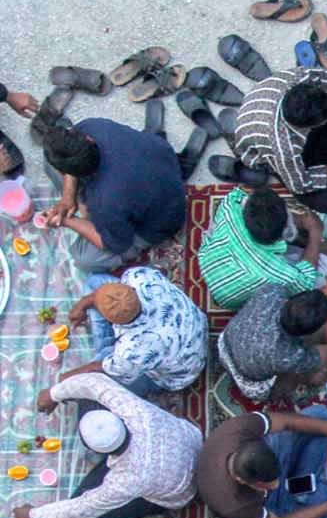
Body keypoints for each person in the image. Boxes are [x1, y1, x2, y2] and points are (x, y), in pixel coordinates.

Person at [23, 372, 201, 518]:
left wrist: (32, 516)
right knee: (91, 394)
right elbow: (94, 382)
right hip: (194, 441)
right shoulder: (135, 412)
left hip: (183, 491)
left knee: (85, 510)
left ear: (96, 450)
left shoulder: (124, 480)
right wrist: (53, 394)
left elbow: (82, 508)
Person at [195, 407, 327, 518]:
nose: (277, 484)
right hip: (270, 505)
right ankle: (318, 486)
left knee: (321, 416)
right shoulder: (235, 504)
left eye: (275, 479)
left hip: (277, 457)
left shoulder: (241, 428)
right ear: (241, 480)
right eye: (267, 484)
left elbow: (286, 421)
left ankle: (312, 487)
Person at [41, 117, 186, 273]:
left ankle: (104, 223)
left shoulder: (105, 202)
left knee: (84, 259)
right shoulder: (92, 126)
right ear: (88, 139)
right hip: (161, 169)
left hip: (163, 221)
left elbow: (117, 244)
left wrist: (67, 221)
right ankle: (94, 212)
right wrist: (67, 197)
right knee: (51, 163)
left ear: (64, 172)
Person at [231, 65, 327, 214]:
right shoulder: (283, 147)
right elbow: (301, 184)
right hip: (276, 150)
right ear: (310, 127)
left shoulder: (305, 78)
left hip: (268, 107)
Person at [60, 265, 206, 396]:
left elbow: (98, 368)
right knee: (94, 281)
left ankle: (106, 348)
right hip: (195, 328)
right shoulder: (139, 276)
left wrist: (64, 380)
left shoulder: (131, 351)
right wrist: (83, 304)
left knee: (103, 382)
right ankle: (106, 349)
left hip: (178, 376)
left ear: (111, 323)